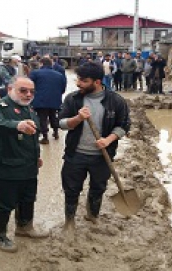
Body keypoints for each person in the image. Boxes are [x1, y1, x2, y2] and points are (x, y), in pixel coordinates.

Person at [58, 62, 130, 237]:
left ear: (97, 82)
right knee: (71, 189)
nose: (78, 83)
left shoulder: (116, 101)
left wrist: (109, 139)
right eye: (78, 79)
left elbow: (124, 125)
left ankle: (92, 215)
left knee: (98, 187)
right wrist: (77, 118)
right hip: (75, 155)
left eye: (83, 80)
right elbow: (61, 123)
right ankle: (69, 220)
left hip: (102, 157)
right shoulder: (73, 99)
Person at [0, 77, 48, 253]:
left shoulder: (30, 109)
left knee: (27, 198)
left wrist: (37, 156)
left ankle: (24, 227)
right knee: (3, 203)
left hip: (27, 166)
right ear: (10, 88)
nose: (28, 94)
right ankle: (0, 237)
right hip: (3, 167)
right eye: (23, 90)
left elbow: (32, 138)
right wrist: (17, 125)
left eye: (32, 91)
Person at [30, 57, 67, 144]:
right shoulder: (59, 75)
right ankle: (56, 132)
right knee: (53, 116)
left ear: (41, 63)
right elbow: (63, 88)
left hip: (40, 100)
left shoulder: (35, 73)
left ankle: (45, 137)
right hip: (55, 100)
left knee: (42, 118)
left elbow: (29, 86)